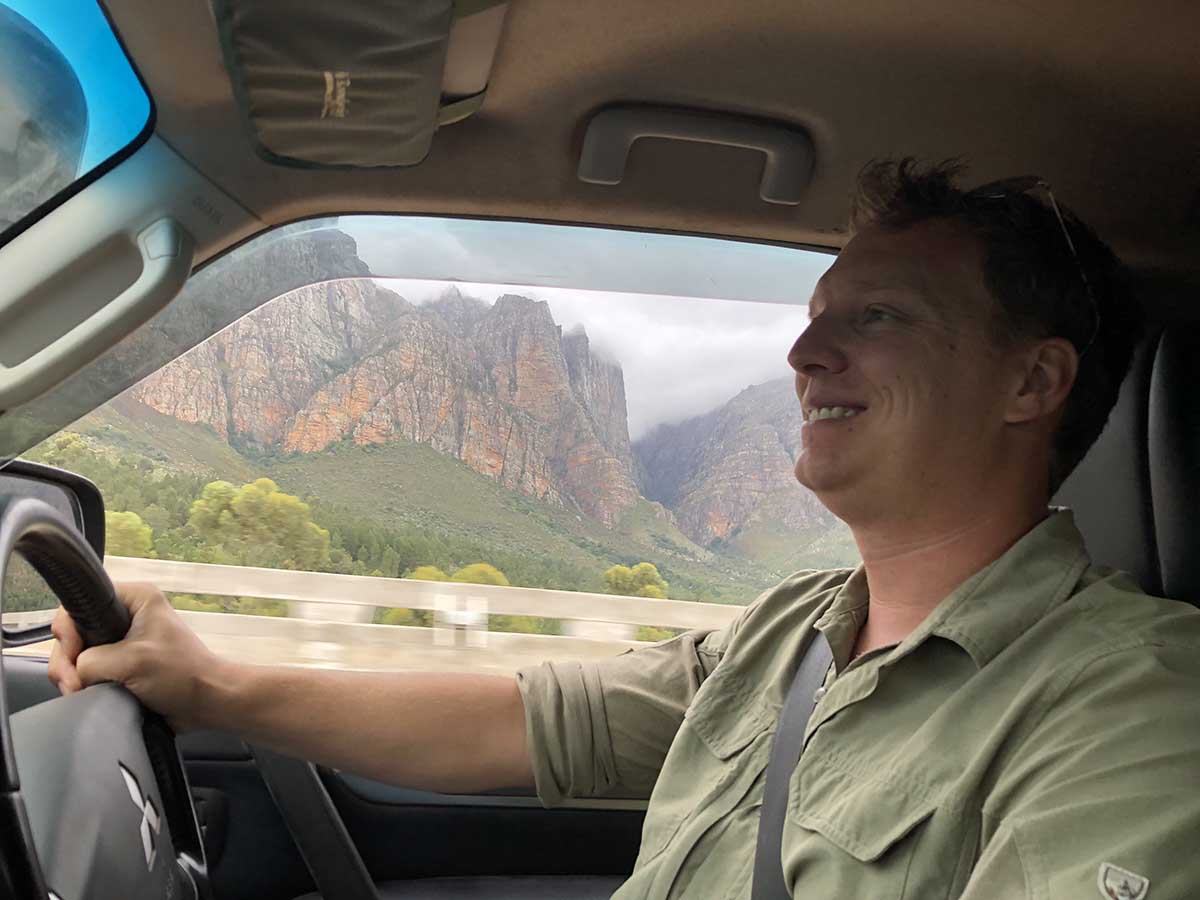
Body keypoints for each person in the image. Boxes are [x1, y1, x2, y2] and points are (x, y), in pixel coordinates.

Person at [49, 160, 1200, 898]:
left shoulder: (1137, 706)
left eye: (879, 317)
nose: (804, 355)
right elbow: (519, 721)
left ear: (1031, 382)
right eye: (816, 319)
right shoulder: (787, 636)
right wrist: (212, 687)